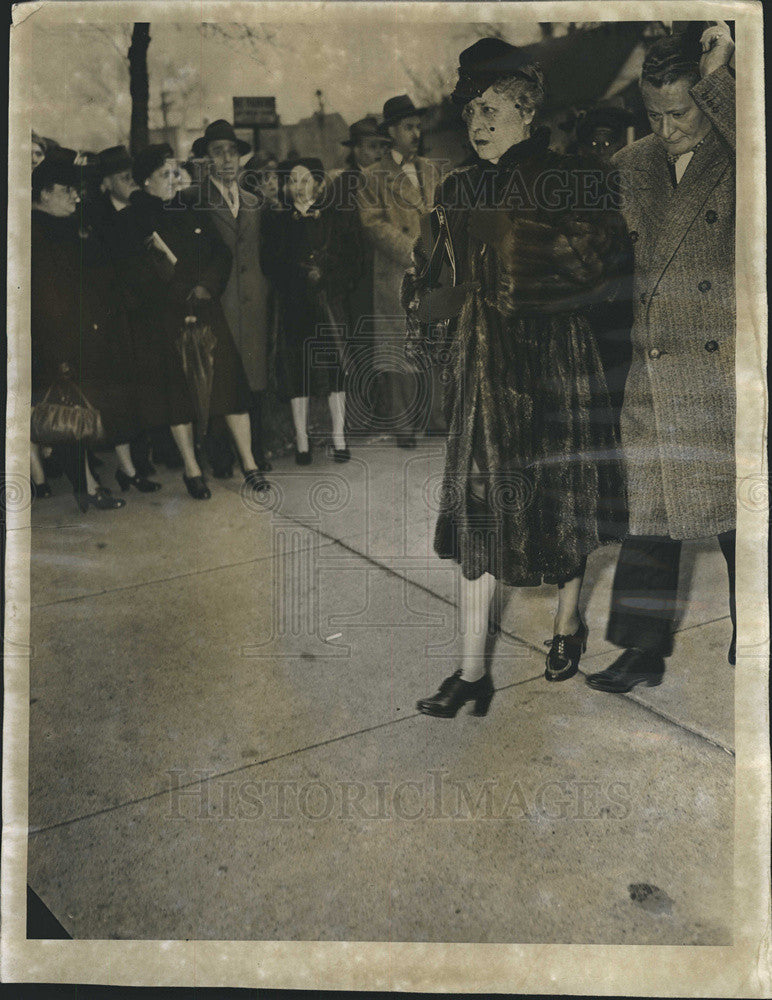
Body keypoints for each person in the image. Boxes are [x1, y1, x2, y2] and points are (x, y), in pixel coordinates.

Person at [408, 38, 631, 718]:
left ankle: (566, 625)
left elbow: (598, 266)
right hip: (481, 367)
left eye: (495, 108)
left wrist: (514, 249)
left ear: (528, 114)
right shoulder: (456, 187)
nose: (480, 122)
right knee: (481, 511)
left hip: (556, 360)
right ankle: (472, 672)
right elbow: (430, 273)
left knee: (560, 501)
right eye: (473, 108)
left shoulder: (571, 176)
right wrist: (431, 317)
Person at [586, 24, 738, 693]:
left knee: (739, 522)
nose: (668, 127)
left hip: (721, 370)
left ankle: (756, 633)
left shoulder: (741, 158)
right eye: (654, 114)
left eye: (682, 112)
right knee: (651, 516)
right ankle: (640, 652)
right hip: (653, 368)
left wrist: (722, 71)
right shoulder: (632, 166)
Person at [113, 144, 263, 500]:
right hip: (166, 317)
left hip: (206, 307)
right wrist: (179, 291)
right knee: (178, 397)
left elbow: (220, 252)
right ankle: (192, 469)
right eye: (165, 174)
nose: (174, 179)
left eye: (175, 172)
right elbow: (134, 273)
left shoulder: (189, 207)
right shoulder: (132, 219)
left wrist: (207, 286)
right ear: (145, 179)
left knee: (230, 388)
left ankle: (250, 463)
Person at [31, 154, 136, 511]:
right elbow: (47, 298)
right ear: (44, 193)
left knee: (80, 414)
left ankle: (88, 485)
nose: (76, 197)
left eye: (77, 190)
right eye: (67, 191)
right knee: (69, 416)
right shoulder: (37, 231)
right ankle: (88, 488)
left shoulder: (67, 224)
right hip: (60, 340)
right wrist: (59, 350)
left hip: (84, 334)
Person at [260, 157, 361, 463]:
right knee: (297, 373)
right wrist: (298, 274)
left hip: (327, 303)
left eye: (304, 180)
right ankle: (302, 442)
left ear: (319, 183)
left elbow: (353, 261)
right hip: (294, 306)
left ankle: (339, 438)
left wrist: (326, 276)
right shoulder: (279, 222)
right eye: (291, 181)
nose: (297, 187)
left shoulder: (336, 217)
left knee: (335, 372)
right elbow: (271, 265)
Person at [188, 120, 272, 488]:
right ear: (206, 159)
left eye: (232, 151)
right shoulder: (195, 201)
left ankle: (256, 451)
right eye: (218, 151)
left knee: (254, 376)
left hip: (255, 303)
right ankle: (221, 455)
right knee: (220, 377)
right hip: (219, 303)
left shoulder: (255, 203)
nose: (227, 158)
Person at [357, 95, 443, 447]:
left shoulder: (432, 170)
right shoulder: (372, 176)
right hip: (398, 272)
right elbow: (373, 224)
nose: (416, 133)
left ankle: (436, 418)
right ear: (391, 131)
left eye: (418, 127)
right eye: (408, 127)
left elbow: (442, 214)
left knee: (434, 342)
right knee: (398, 348)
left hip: (433, 270)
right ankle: (403, 425)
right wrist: (413, 252)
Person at [327, 117, 389, 435]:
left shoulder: (390, 181)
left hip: (388, 276)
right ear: (355, 150)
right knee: (361, 346)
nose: (376, 152)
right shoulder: (342, 185)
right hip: (357, 280)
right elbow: (335, 235)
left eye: (380, 146)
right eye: (369, 146)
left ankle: (389, 412)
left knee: (388, 345)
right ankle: (363, 418)